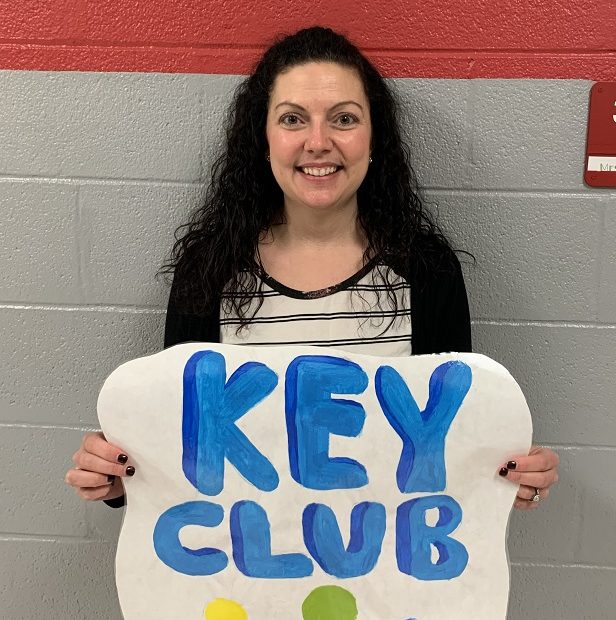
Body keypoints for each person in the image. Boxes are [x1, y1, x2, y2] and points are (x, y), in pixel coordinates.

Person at [65, 27, 558, 511]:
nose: (318, 142)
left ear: (373, 139)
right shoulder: (210, 268)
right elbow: (178, 440)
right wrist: (118, 477)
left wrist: (509, 477)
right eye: (293, 119)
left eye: (343, 118)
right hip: (242, 574)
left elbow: (452, 441)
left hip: (390, 578)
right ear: (263, 139)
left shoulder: (427, 271)